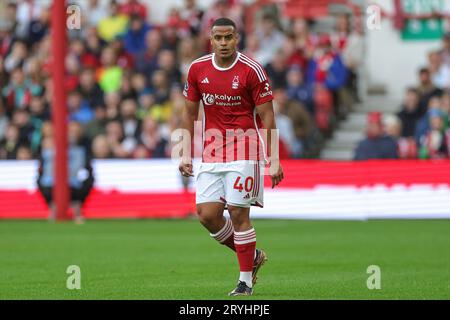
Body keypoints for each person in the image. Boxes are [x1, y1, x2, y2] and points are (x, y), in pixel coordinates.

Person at [179, 18, 284, 296]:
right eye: (218, 38)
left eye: (228, 38)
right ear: (210, 39)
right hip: (212, 152)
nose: (223, 43)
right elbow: (190, 113)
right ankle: (253, 255)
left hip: (245, 148)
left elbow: (267, 116)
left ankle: (245, 282)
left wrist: (273, 159)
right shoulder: (197, 69)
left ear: (236, 38)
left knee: (238, 214)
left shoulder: (252, 70)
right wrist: (186, 151)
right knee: (207, 215)